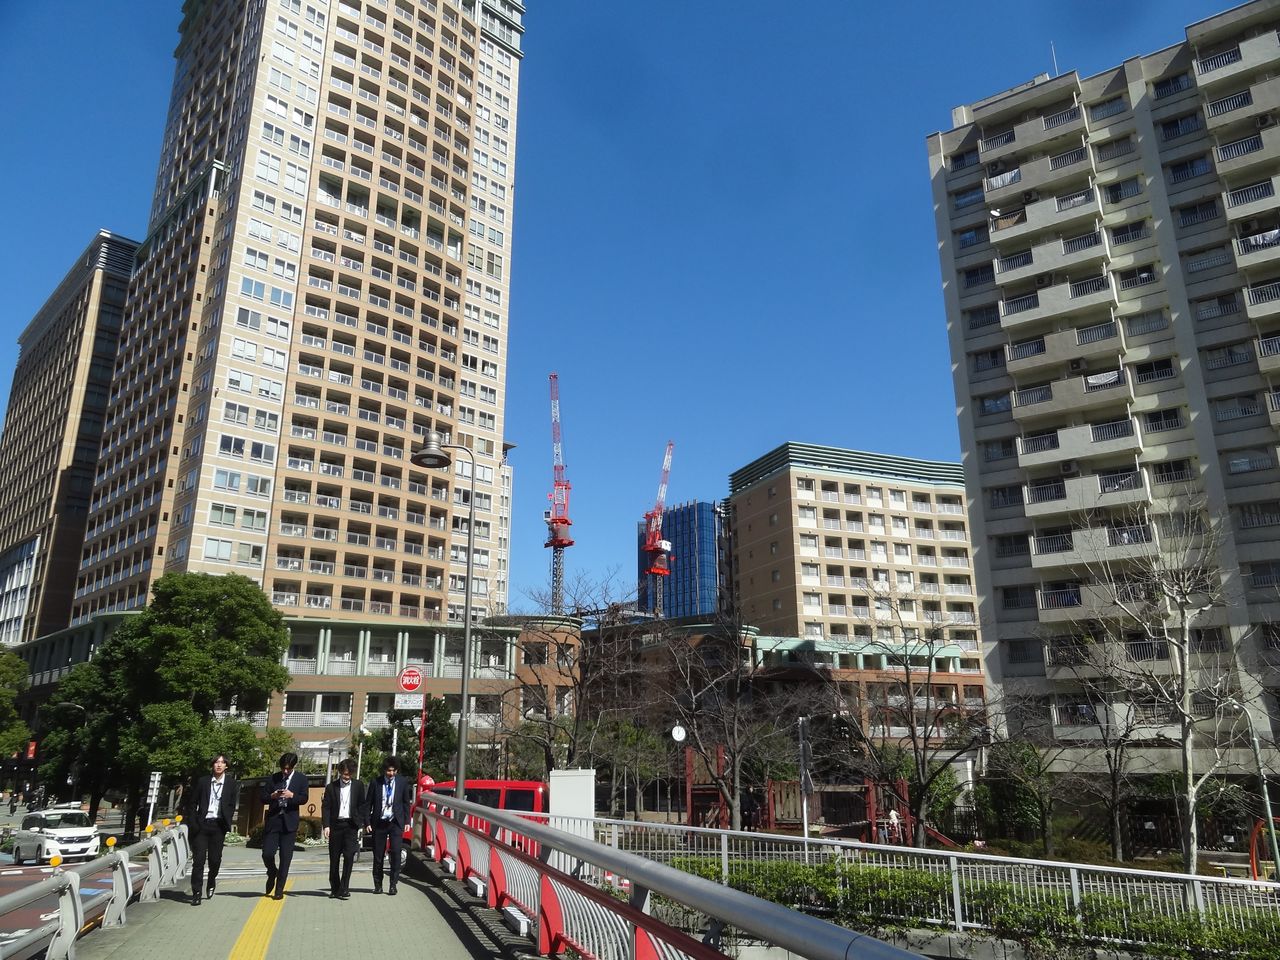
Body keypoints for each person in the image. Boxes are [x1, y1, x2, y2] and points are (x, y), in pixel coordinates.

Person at [186, 754, 239, 906]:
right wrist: (194, 822)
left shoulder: (231, 783)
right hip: (202, 825)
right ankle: (196, 892)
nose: (219, 765)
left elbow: (231, 804)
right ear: (212, 765)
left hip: (218, 826)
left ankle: (211, 881)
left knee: (215, 860)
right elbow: (192, 803)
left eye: (222, 763)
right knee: (199, 861)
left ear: (226, 766)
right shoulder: (203, 782)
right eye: (216, 762)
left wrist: (226, 820)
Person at [260, 752, 308, 900]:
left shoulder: (301, 779)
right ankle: (272, 871)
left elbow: (304, 798)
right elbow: (262, 797)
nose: (285, 771)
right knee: (267, 853)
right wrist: (273, 796)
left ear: (293, 767)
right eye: (283, 768)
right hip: (274, 820)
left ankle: (279, 889)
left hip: (289, 821)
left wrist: (291, 796)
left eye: (288, 769)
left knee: (285, 857)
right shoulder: (273, 778)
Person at [366, 757, 411, 895]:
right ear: (384, 770)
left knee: (396, 853)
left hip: (395, 822)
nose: (391, 773)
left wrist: (407, 821)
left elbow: (405, 803)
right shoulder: (376, 782)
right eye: (388, 771)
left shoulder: (402, 782)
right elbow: (368, 804)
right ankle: (378, 885)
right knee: (378, 855)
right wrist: (367, 822)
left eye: (393, 771)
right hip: (379, 822)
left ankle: (393, 884)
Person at [322, 759, 366, 900]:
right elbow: (326, 807)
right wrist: (326, 826)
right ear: (340, 772)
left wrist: (360, 823)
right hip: (335, 826)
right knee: (334, 859)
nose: (346, 777)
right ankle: (334, 888)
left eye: (349, 774)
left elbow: (361, 805)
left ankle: (344, 888)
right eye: (344, 774)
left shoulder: (359, 786)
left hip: (351, 826)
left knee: (349, 857)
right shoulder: (331, 787)